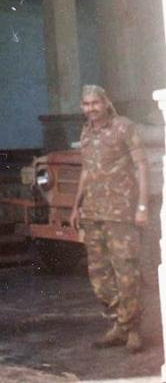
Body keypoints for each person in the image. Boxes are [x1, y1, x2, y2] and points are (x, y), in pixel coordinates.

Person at [70, 84, 149, 353]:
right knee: (99, 275)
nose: (91, 108)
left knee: (126, 271)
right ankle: (120, 323)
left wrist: (142, 206)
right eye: (86, 104)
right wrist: (75, 205)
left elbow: (141, 165)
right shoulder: (86, 132)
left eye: (95, 103)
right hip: (93, 213)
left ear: (106, 103)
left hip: (121, 212)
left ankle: (133, 330)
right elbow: (86, 170)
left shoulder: (124, 127)